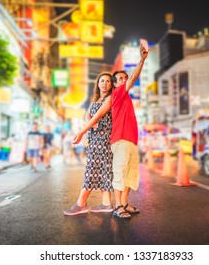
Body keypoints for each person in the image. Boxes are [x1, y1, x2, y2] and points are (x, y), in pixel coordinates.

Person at [73, 43, 149, 219]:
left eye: (125, 78)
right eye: (120, 79)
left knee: (130, 174)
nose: (125, 80)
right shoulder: (117, 94)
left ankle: (122, 203)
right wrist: (142, 60)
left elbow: (95, 114)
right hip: (118, 139)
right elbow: (96, 114)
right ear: (116, 84)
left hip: (131, 140)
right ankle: (117, 206)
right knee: (117, 172)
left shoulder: (124, 98)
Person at [64, 72, 115, 215]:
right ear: (98, 84)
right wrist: (90, 123)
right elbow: (88, 115)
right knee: (104, 169)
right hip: (95, 138)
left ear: (111, 85)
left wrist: (82, 132)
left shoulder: (110, 98)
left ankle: (81, 204)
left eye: (107, 81)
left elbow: (96, 116)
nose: (104, 83)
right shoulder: (96, 100)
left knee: (91, 169)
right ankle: (106, 203)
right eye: (102, 81)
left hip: (103, 138)